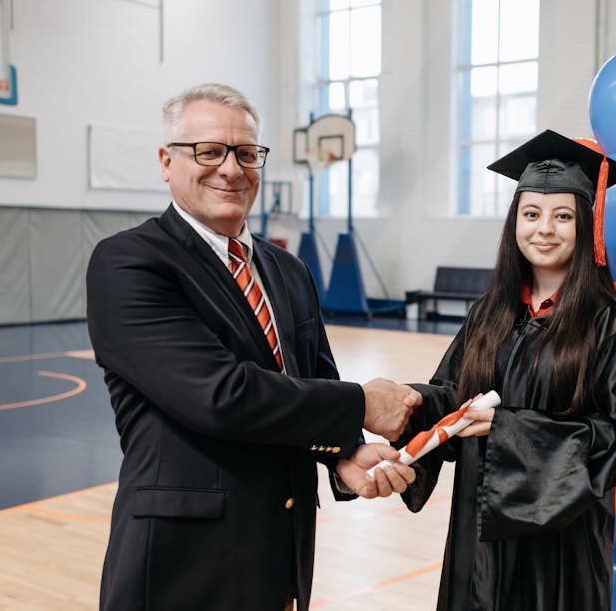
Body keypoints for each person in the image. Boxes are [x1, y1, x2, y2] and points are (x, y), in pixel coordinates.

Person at [86, 82, 419, 611]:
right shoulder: (129, 263)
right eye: (209, 151)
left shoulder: (288, 270)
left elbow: (313, 384)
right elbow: (220, 395)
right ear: (166, 162)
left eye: (246, 153)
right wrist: (362, 403)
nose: (231, 169)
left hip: (281, 547)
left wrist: (345, 452)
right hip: (183, 558)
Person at [396, 129, 616, 610]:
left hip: (557, 550)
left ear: (586, 227)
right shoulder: (488, 313)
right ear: (515, 222)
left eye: (563, 216)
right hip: (480, 536)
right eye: (531, 214)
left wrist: (507, 429)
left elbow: (610, 446)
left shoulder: (614, 330)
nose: (544, 229)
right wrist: (408, 405)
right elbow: (452, 396)